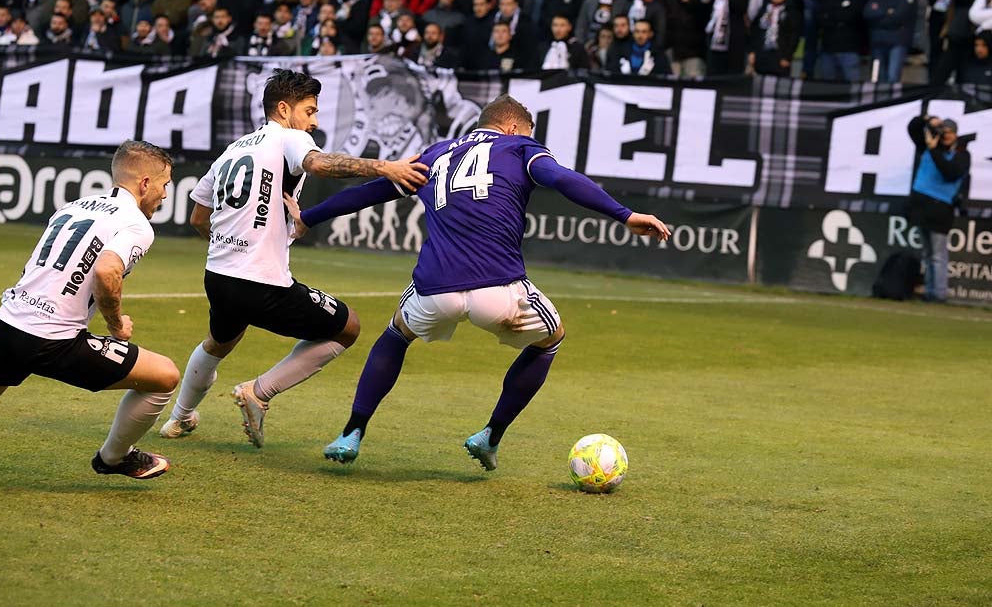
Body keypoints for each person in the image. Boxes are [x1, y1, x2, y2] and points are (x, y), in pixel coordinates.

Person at [283, 95, 671, 470]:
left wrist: (309, 218)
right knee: (552, 339)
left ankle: (351, 433)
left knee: (397, 334)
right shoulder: (521, 148)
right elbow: (562, 179)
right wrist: (624, 214)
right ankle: (490, 436)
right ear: (514, 126)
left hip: (434, 292)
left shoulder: (437, 154)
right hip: (499, 291)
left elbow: (371, 192)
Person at [158, 69, 428, 448]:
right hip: (261, 281)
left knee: (217, 344)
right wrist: (386, 167)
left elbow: (198, 218)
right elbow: (319, 164)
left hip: (219, 275)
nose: (314, 121)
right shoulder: (290, 137)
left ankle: (179, 418)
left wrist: (243, 240)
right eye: (310, 110)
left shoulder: (233, 149)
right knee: (347, 327)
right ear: (284, 109)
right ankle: (258, 392)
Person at [0, 141, 180, 479]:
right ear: (145, 184)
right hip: (52, 339)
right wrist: (116, 324)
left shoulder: (74, 206)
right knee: (165, 377)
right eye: (165, 184)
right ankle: (114, 457)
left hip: (9, 322)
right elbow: (107, 271)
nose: (165, 195)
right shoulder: (136, 224)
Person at [907, 115, 970, 302]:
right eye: (944, 131)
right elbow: (913, 128)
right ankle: (929, 292)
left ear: (956, 134)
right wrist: (926, 120)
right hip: (922, 206)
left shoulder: (962, 155)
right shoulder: (929, 146)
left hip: (941, 209)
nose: (946, 135)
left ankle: (939, 294)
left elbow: (950, 173)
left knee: (937, 254)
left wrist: (934, 151)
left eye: (950, 132)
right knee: (927, 254)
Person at [863, 0, 916, 83]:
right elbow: (868, 12)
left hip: (898, 40)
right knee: (877, 79)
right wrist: (888, 12)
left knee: (893, 78)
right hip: (878, 39)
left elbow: (901, 15)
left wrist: (880, 12)